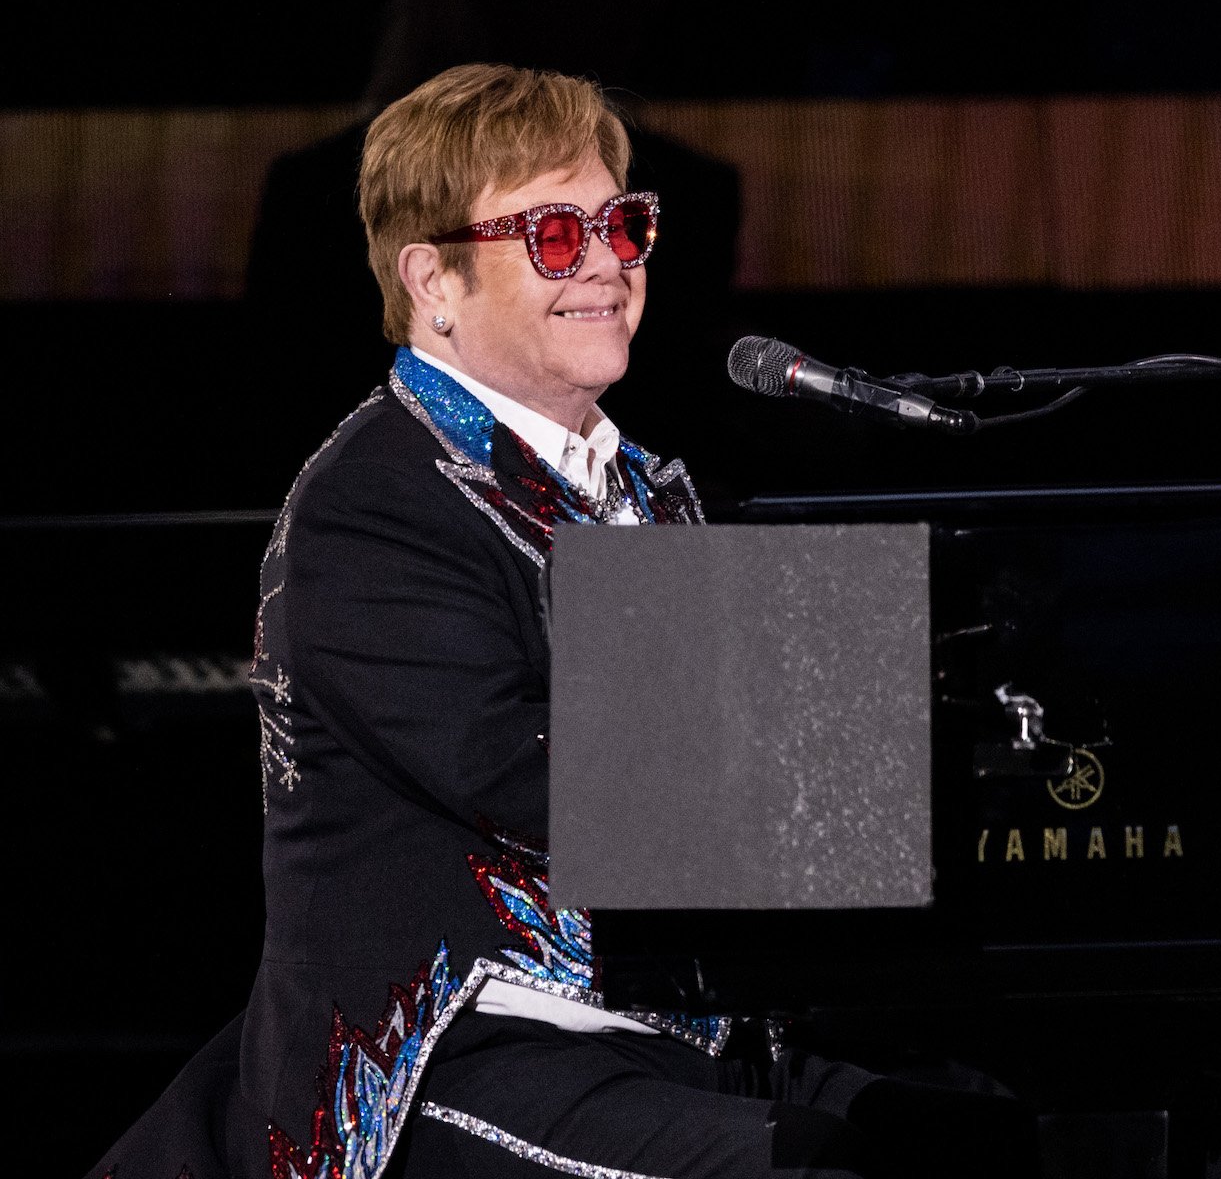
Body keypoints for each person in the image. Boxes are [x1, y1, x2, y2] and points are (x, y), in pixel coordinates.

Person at [87, 63, 1033, 1179]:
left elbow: (788, 809)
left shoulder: (648, 489)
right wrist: (865, 768)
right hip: (458, 1062)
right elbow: (533, 777)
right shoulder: (375, 503)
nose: (605, 264)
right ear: (432, 279)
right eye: (549, 236)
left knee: (1008, 1140)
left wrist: (957, 764)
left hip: (677, 1035)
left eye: (622, 227)